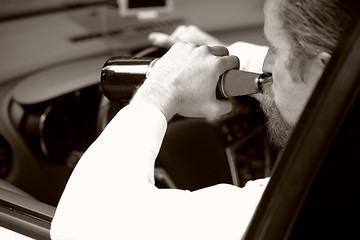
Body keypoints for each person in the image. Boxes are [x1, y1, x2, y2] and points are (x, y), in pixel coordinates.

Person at [50, 0, 358, 239]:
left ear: (322, 73)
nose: (270, 64)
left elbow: (81, 222)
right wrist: (226, 59)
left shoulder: (283, 207)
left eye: (275, 48)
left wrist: (158, 93)